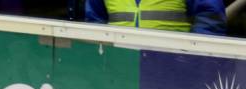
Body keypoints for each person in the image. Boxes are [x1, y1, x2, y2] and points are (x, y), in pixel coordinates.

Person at [85, 0, 227, 35]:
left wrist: (197, 59)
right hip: (119, 65)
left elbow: (211, 18)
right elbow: (95, 22)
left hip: (173, 67)